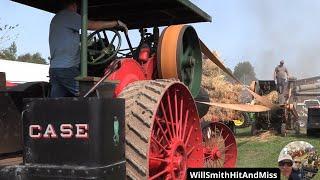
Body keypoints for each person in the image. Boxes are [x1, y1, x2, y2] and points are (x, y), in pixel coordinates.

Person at [49, 0, 127, 97]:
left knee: (56, 102)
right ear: (74, 5)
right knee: (90, 96)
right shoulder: (69, 15)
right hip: (66, 69)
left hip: (54, 68)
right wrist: (116, 23)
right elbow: (91, 25)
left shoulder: (57, 18)